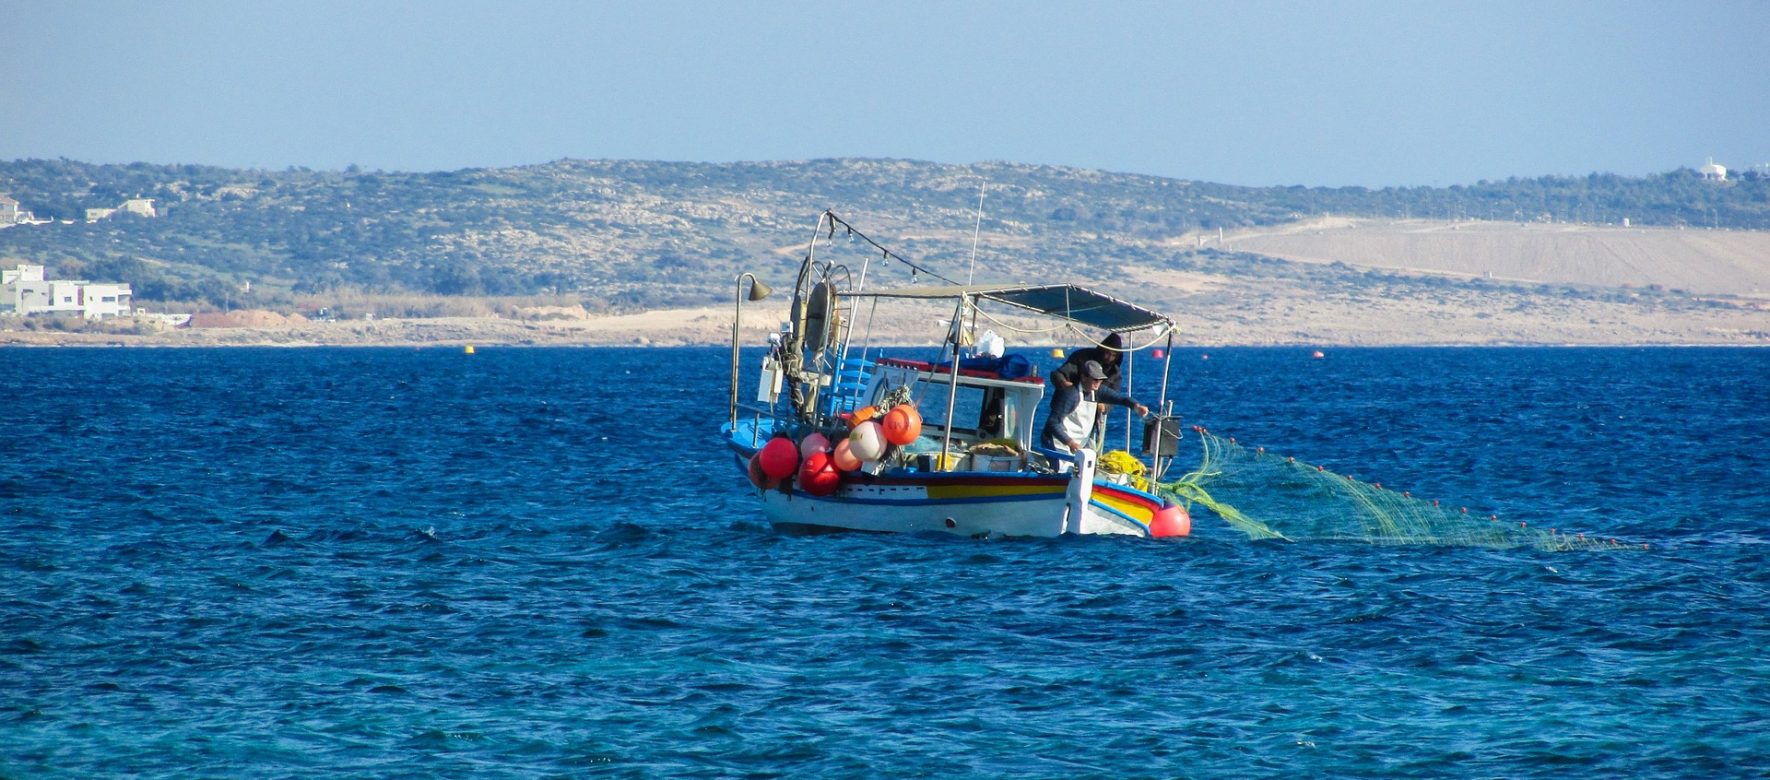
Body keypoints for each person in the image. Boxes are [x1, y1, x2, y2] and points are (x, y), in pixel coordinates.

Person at [1040, 359, 1148, 456]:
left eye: (1100, 380)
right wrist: (1069, 442)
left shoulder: (1098, 391)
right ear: (1083, 377)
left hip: (1077, 445)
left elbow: (1121, 399)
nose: (1098, 383)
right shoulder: (1070, 395)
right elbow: (1053, 422)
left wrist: (1137, 407)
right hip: (1057, 444)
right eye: (1095, 379)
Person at [1051, 333, 1127, 392]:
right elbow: (1058, 374)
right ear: (1102, 350)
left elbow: (1114, 393)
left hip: (1095, 410)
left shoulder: (1115, 372)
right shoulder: (1081, 357)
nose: (1109, 358)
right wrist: (1063, 383)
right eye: (1107, 353)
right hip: (1069, 404)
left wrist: (1105, 406)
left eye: (1113, 355)